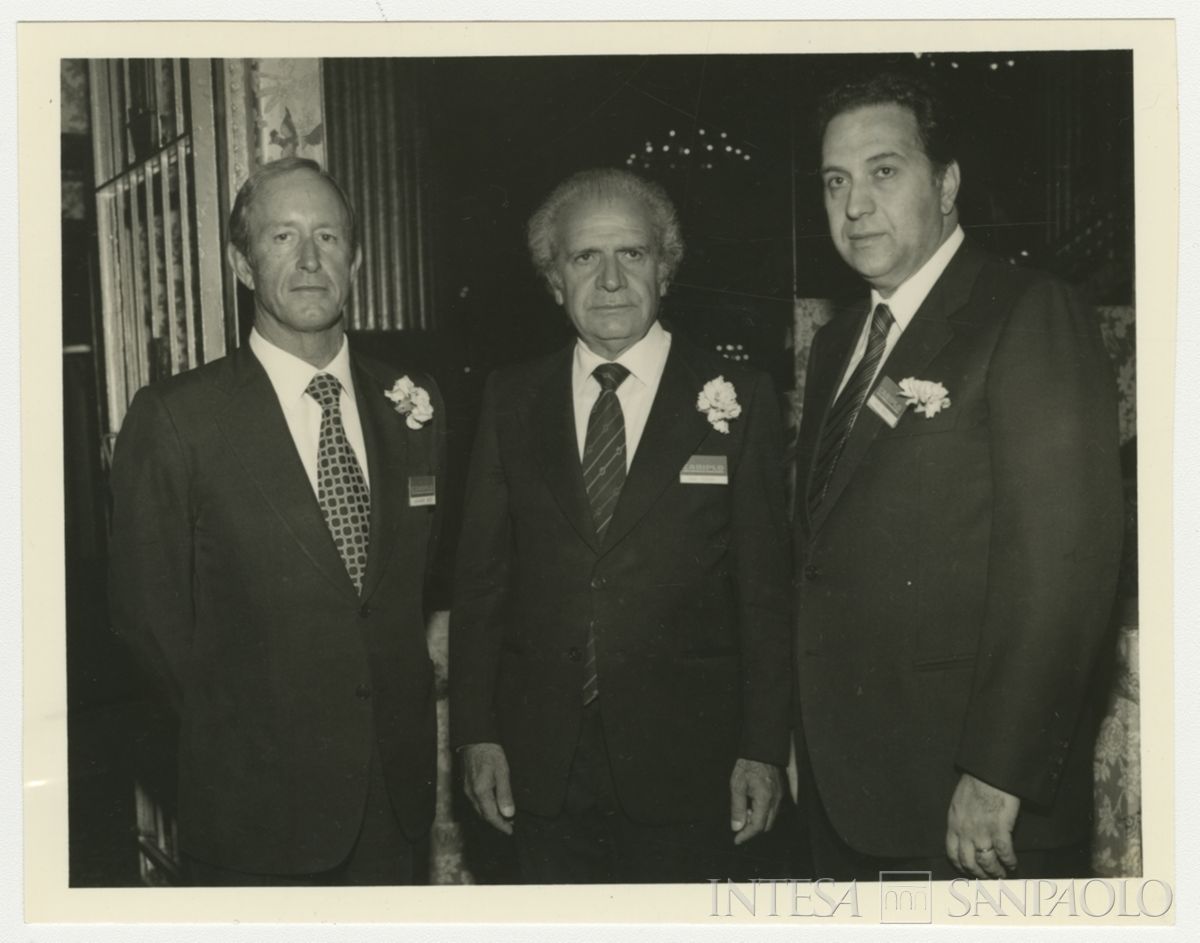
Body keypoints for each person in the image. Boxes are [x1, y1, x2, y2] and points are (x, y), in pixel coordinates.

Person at [793, 72, 1124, 881]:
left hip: (970, 809)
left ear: (946, 184)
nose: (855, 205)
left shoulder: (1026, 312)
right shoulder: (839, 345)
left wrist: (999, 771)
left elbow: (1065, 569)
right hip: (848, 797)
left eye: (884, 171)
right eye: (835, 181)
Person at [450, 168, 793, 883]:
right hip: (540, 767)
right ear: (553, 280)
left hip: (690, 769)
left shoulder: (738, 399)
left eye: (631, 254)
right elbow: (482, 583)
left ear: (665, 269)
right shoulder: (510, 399)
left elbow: (764, 591)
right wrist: (476, 733)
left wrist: (763, 744)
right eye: (584, 258)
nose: (609, 279)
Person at [108, 157, 445, 885]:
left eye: (327, 236)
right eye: (282, 237)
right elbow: (148, 623)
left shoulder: (412, 402)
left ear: (355, 257)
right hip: (254, 815)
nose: (309, 259)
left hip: (393, 805)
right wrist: (238, 738)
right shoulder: (178, 418)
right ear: (241, 261)